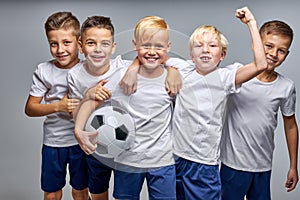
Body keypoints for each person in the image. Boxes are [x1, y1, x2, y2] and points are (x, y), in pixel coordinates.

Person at [75, 15, 177, 200]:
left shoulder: (173, 80)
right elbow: (92, 100)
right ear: (134, 45)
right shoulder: (121, 75)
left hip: (163, 160)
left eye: (159, 46)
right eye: (145, 46)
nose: (152, 52)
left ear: (168, 47)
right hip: (128, 160)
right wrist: (78, 130)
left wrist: (174, 70)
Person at [220, 20, 299, 200]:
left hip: (263, 166)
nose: (273, 54)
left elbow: (291, 126)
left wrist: (293, 166)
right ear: (257, 44)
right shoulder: (236, 75)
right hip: (233, 165)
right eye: (269, 46)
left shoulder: (286, 87)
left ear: (287, 54)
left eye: (281, 50)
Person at [67, 15, 134, 200]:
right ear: (80, 46)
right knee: (97, 194)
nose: (98, 49)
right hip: (95, 146)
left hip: (125, 145)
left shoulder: (123, 67)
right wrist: (88, 95)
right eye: (91, 43)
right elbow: (74, 115)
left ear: (113, 47)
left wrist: (135, 68)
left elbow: (149, 60)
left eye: (105, 44)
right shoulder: (75, 75)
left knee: (125, 195)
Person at [24, 11, 89, 200]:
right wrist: (58, 106)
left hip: (81, 143)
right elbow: (30, 108)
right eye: (54, 44)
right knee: (52, 193)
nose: (60, 49)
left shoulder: (89, 68)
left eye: (66, 42)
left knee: (80, 191)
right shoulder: (44, 70)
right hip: (54, 142)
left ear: (79, 43)